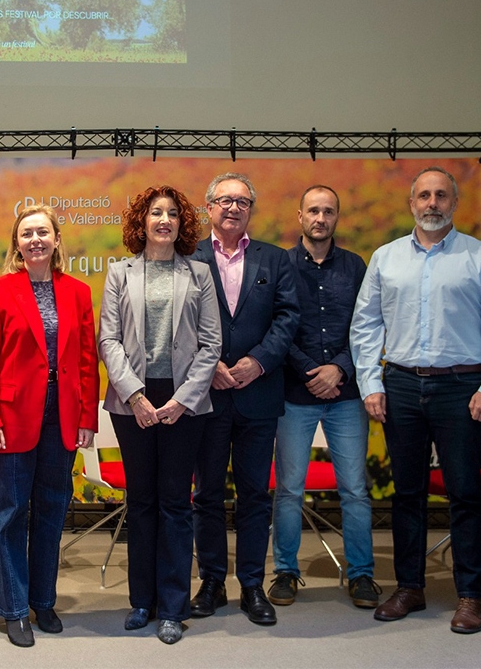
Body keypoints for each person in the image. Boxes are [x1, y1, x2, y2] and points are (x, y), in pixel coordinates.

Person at [350, 166, 481, 635]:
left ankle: (470, 596)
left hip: (462, 389)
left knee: (465, 491)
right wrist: (371, 383)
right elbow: (366, 326)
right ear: (411, 203)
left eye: (440, 195)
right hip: (401, 385)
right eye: (423, 195)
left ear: (453, 203)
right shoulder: (385, 258)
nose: (431, 203)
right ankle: (410, 588)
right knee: (407, 493)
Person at [0, 205, 100, 647]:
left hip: (61, 419)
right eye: (26, 233)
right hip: (10, 420)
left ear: (56, 239)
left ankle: (43, 601)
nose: (35, 240)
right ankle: (12, 609)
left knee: (51, 511)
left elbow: (87, 361)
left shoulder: (79, 293)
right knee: (10, 515)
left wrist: (87, 418)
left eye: (42, 232)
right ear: (17, 243)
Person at [99, 185, 221, 645]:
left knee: (174, 502)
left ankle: (172, 606)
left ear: (182, 223)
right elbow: (108, 340)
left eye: (172, 213)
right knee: (142, 501)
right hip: (133, 401)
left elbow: (211, 344)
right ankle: (142, 602)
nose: (164, 220)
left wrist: (183, 399)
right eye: (155, 213)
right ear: (142, 221)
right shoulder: (119, 273)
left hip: (182, 402)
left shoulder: (200, 274)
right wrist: (134, 396)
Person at [189, 173, 298, 626]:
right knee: (207, 494)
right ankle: (212, 581)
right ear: (208, 207)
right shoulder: (188, 255)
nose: (233, 208)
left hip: (258, 395)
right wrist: (206, 365)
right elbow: (178, 318)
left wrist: (259, 362)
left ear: (251, 209)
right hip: (207, 396)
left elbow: (289, 317)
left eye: (242, 201)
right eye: (224, 200)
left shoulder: (274, 258)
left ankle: (252, 584)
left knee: (255, 495)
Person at [271, 185, 378, 608]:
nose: (320, 218)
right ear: (300, 216)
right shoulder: (280, 265)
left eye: (328, 211)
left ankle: (362, 575)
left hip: (346, 395)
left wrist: (340, 368)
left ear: (337, 217)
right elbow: (276, 324)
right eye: (313, 210)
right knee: (289, 489)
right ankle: (285, 572)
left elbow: (368, 326)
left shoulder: (355, 266)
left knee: (354, 489)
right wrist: (309, 370)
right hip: (295, 394)